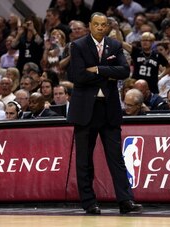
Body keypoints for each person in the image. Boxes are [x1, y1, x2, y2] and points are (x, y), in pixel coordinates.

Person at [67, 12, 142, 215]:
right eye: (97, 24)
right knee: (84, 160)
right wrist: (109, 72)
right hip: (85, 111)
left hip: (109, 109)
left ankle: (125, 201)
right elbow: (78, 76)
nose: (100, 27)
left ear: (107, 26)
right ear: (90, 26)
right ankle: (89, 203)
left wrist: (98, 70)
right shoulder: (78, 46)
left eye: (104, 24)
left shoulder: (115, 45)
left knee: (117, 158)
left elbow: (125, 71)